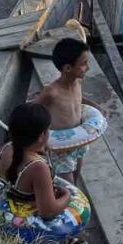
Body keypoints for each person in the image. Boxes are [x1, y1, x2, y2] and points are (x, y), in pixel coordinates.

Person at [0, 102, 91, 244]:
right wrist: (67, 195)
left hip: (12, 209)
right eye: (48, 131)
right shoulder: (38, 168)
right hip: (37, 230)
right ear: (41, 136)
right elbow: (48, 211)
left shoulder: (6, 149)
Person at [35, 38, 96, 184]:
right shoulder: (51, 92)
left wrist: (96, 107)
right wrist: (39, 141)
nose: (87, 68)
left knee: (76, 173)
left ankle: (74, 190)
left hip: (78, 140)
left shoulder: (78, 82)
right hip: (61, 147)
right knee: (66, 183)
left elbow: (77, 101)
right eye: (84, 64)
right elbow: (35, 113)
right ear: (68, 68)